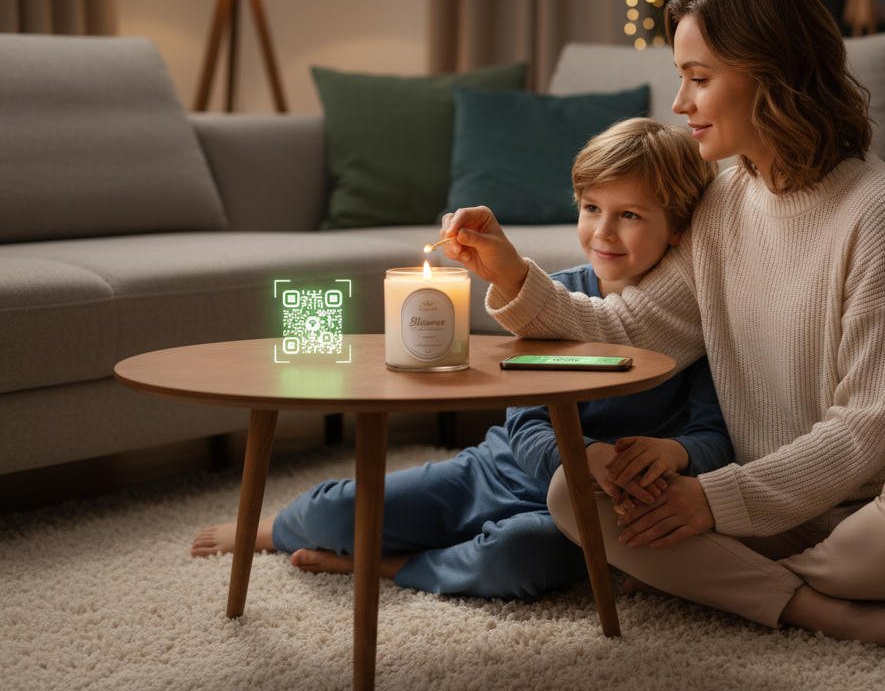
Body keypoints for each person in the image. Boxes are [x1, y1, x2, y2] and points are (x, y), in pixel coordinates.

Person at [438, 0, 885, 659]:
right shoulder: (724, 202)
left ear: (773, 75)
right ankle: (818, 608)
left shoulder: (880, 209)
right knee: (571, 490)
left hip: (877, 509)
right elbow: (630, 331)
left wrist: (710, 504)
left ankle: (718, 583)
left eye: (699, 78)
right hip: (758, 517)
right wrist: (512, 274)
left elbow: (865, 429)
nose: (679, 102)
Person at [190, 118, 732, 601]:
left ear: (680, 227)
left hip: (583, 513)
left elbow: (715, 436)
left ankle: (391, 568)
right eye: (592, 208)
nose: (603, 232)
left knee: (519, 559)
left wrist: (675, 453)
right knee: (340, 512)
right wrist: (581, 457)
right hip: (499, 472)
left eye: (629, 214)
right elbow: (525, 425)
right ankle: (274, 527)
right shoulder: (553, 300)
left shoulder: (692, 323)